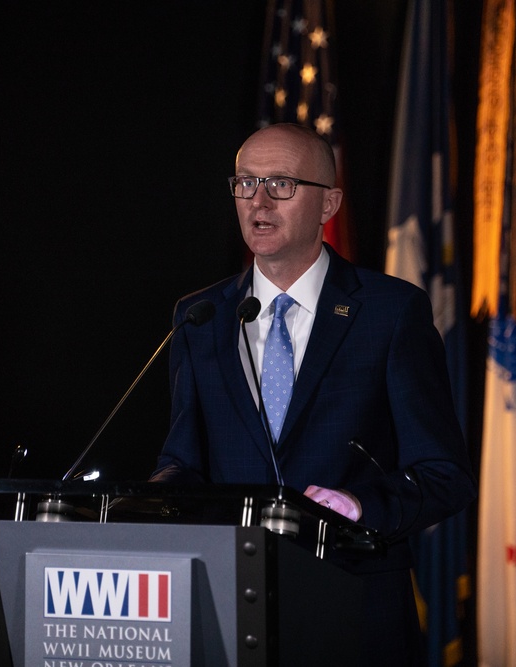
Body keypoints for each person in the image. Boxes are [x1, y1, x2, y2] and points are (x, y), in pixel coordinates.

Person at [150, 122, 475, 664]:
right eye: (245, 182)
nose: (258, 200)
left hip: (356, 610)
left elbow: (446, 475)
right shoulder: (200, 317)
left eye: (281, 184)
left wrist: (359, 504)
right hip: (230, 609)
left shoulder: (391, 312)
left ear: (329, 204)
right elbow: (182, 460)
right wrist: (151, 499)